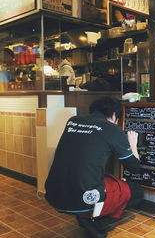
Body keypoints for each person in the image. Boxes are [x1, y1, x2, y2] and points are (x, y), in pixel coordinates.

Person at [45, 97, 143, 238]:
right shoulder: (113, 129)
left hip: (54, 193)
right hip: (83, 198)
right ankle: (93, 221)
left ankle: (86, 217)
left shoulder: (73, 121)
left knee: (104, 179)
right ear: (115, 115)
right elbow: (134, 167)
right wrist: (132, 143)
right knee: (136, 192)